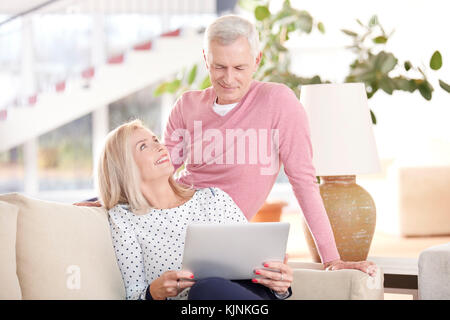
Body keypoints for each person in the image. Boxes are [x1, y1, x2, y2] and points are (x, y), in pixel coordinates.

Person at [77, 15, 376, 276]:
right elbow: (158, 172)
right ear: (205, 59)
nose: (229, 78)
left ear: (257, 60)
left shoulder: (279, 102)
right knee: (86, 213)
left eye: (240, 67)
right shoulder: (188, 105)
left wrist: (332, 259)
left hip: (218, 226)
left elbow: (304, 183)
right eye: (219, 66)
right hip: (171, 213)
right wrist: (103, 200)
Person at [98, 119, 293, 300]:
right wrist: (153, 292)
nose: (159, 146)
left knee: (208, 287)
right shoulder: (124, 219)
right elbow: (133, 294)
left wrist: (279, 286)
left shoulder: (213, 198)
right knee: (205, 289)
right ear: (124, 167)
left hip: (250, 292)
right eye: (143, 146)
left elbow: (255, 261)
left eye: (155, 139)